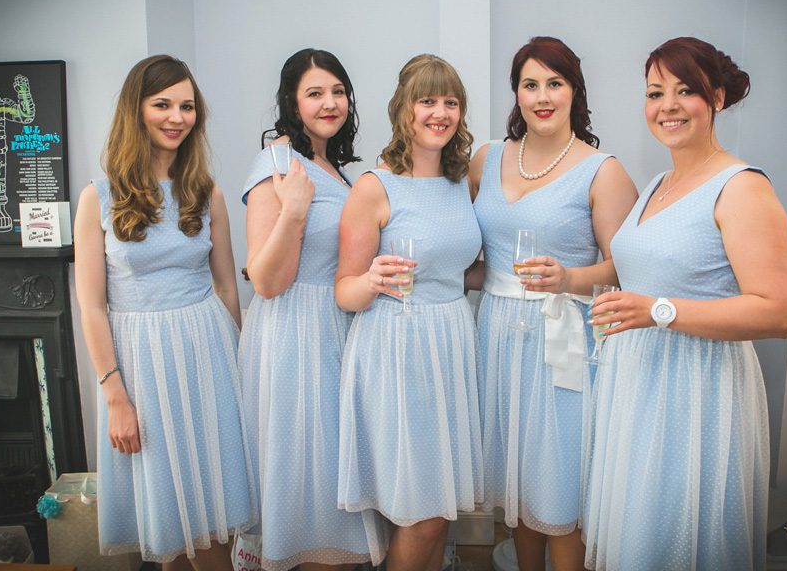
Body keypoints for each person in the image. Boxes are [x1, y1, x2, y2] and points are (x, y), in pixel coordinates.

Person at [582, 37, 787, 571]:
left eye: (686, 91)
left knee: (676, 542)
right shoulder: (659, 182)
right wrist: (571, 279)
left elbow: (778, 311)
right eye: (656, 93)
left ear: (718, 98)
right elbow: (639, 270)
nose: (668, 106)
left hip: (695, 392)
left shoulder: (741, 187)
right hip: (635, 384)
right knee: (638, 538)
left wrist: (658, 311)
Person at [74, 55, 254, 569]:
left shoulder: (207, 192)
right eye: (162, 104)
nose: (177, 117)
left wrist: (239, 370)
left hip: (209, 359)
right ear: (136, 109)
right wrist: (115, 397)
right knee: (168, 525)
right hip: (141, 369)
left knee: (215, 521)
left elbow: (225, 288)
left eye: (187, 107)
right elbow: (90, 304)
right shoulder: (98, 198)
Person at [466, 36, 637, 571]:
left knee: (561, 490)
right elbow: (466, 251)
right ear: (515, 93)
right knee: (516, 492)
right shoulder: (485, 158)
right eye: (530, 84)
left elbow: (628, 268)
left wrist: (569, 277)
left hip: (564, 342)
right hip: (495, 335)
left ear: (574, 91)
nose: (543, 96)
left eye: (555, 83)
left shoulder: (602, 170)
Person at [239, 48, 386, 570]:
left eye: (338, 91)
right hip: (295, 339)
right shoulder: (277, 164)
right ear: (290, 101)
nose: (330, 103)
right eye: (315, 93)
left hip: (339, 330)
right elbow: (267, 280)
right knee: (311, 488)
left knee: (338, 477)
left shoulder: (337, 169)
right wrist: (295, 211)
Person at [335, 54, 483, 571]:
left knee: (437, 512)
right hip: (397, 349)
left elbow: (460, 270)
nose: (440, 112)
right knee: (421, 512)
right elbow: (344, 291)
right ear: (404, 110)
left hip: (450, 344)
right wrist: (371, 280)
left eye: (450, 101)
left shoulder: (460, 183)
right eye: (427, 101)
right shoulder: (374, 187)